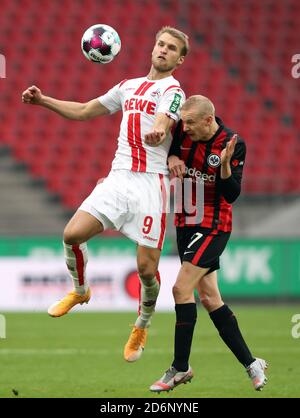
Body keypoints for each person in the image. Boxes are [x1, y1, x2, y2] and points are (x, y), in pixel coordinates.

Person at [22, 26, 189, 363]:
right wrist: (43, 101)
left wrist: (160, 130)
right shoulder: (127, 86)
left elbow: (164, 118)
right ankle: (81, 292)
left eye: (171, 48)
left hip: (150, 186)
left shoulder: (173, 90)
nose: (163, 50)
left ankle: (142, 324)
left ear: (180, 59)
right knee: (72, 234)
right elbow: (84, 110)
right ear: (152, 47)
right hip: (118, 178)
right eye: (160, 44)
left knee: (145, 269)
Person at [150, 95, 268, 393]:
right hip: (185, 222)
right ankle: (252, 363)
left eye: (190, 122)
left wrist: (225, 167)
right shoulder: (181, 132)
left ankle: (179, 367)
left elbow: (231, 195)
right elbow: (166, 151)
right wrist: (173, 157)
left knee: (180, 289)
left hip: (214, 225)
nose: (184, 127)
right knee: (211, 299)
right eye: (183, 121)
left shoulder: (232, 144)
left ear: (208, 120)